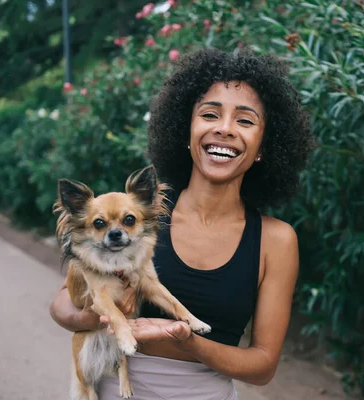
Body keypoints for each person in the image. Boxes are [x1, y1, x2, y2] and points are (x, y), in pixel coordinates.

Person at [49, 47, 317, 399]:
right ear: (186, 130)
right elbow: (62, 304)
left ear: (264, 146)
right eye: (210, 114)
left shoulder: (276, 240)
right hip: (117, 388)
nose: (224, 129)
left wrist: (187, 339)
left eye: (245, 120)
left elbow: (263, 365)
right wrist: (98, 318)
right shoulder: (137, 219)